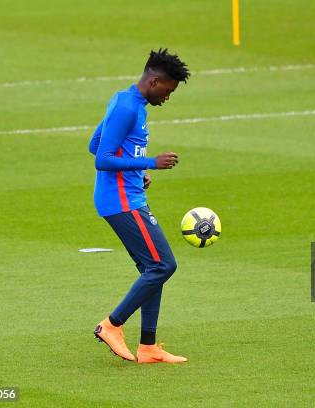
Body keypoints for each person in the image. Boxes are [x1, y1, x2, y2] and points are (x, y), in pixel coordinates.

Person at [88, 49, 190, 364]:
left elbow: (95, 143)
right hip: (121, 202)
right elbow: (102, 159)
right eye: (168, 90)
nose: (168, 97)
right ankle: (111, 325)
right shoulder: (127, 109)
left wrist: (137, 171)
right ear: (155, 80)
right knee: (163, 266)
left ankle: (148, 348)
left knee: (152, 269)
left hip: (128, 196)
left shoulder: (129, 102)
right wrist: (151, 162)